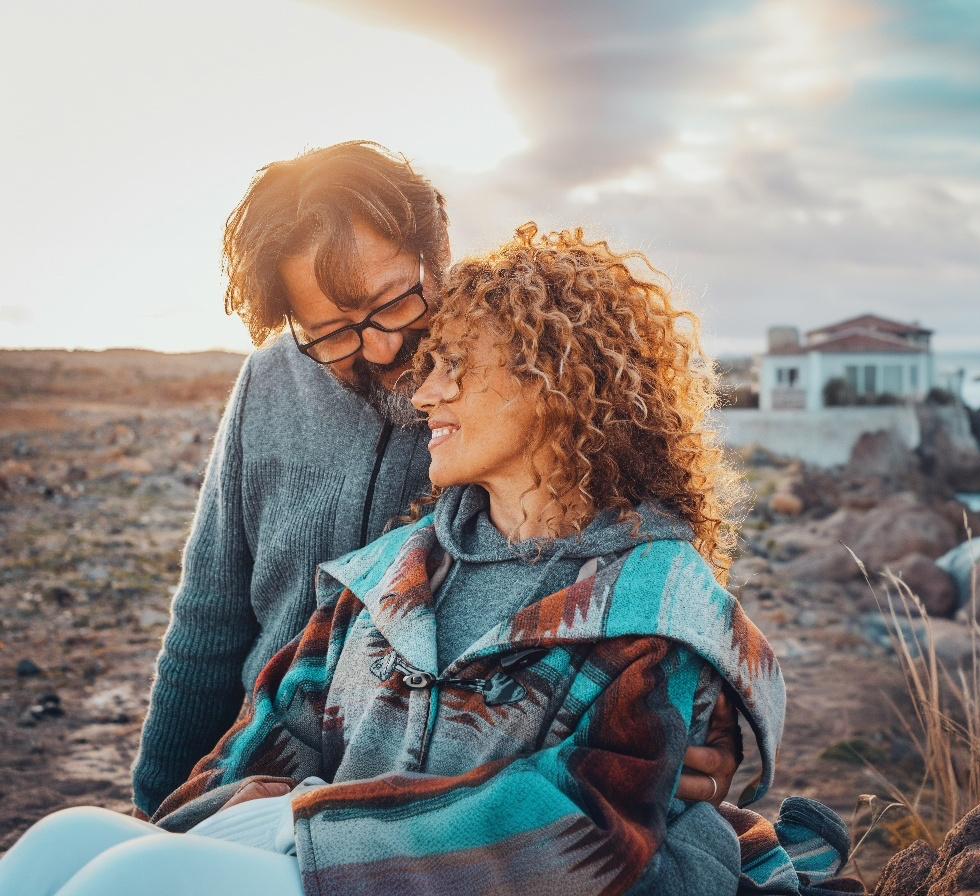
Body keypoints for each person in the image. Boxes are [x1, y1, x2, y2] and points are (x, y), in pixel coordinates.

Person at [0, 225, 851, 896]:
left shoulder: (650, 604)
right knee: (67, 838)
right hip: (324, 869)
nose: (420, 389)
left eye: (455, 367)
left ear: (555, 383)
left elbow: (585, 830)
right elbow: (259, 740)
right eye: (425, 364)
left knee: (139, 879)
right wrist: (204, 820)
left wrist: (304, 831)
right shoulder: (393, 574)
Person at [130, 141, 739, 820]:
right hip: (268, 769)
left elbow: (633, 538)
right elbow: (209, 619)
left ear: (438, 247)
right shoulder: (268, 384)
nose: (382, 349)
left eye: (393, 303)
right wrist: (155, 809)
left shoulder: (510, 384)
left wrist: (686, 703)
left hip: (442, 809)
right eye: (331, 333)